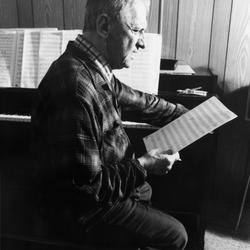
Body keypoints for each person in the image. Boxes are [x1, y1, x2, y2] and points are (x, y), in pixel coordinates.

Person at [32, 0, 189, 249]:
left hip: (95, 190)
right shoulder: (75, 86)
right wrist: (144, 165)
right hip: (81, 210)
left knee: (145, 191)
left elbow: (138, 100)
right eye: (137, 30)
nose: (142, 42)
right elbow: (89, 189)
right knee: (176, 235)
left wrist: (182, 113)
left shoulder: (91, 67)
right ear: (104, 25)